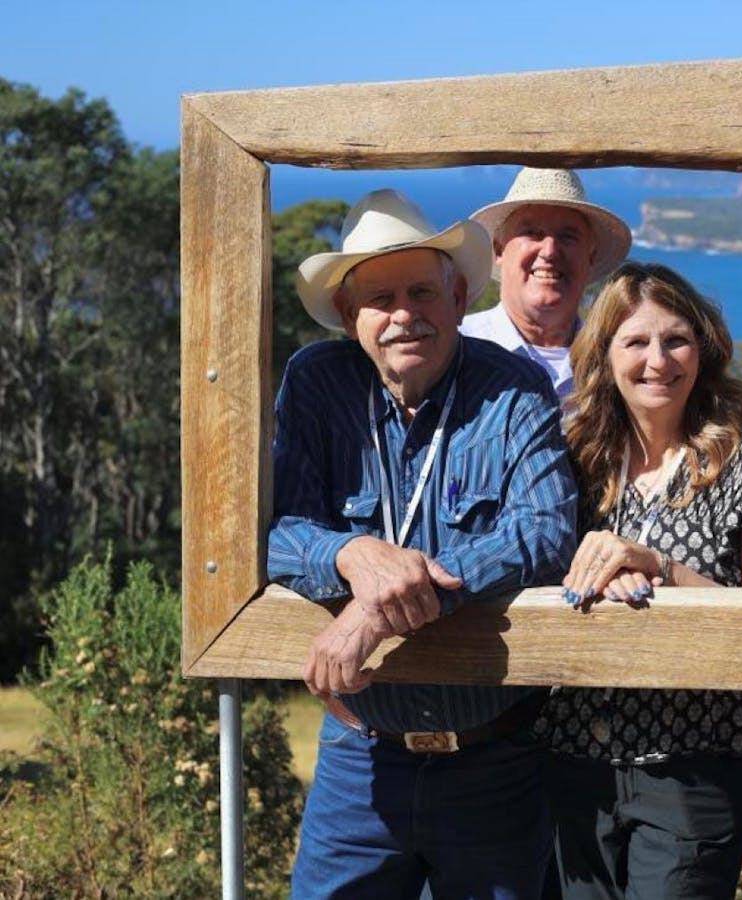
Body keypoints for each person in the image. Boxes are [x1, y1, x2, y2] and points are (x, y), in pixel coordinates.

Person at [267, 188, 578, 898]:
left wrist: (380, 607)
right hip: (359, 755)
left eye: (420, 291)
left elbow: (545, 530)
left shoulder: (512, 388)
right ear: (349, 316)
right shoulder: (316, 383)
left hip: (494, 761)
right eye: (380, 298)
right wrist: (351, 556)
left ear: (459, 295)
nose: (404, 313)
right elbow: (275, 527)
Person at [528, 261, 742, 899]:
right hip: (577, 758)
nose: (658, 360)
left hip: (699, 766)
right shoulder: (577, 460)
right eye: (635, 342)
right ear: (603, 356)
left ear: (703, 350)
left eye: (676, 339)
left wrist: (660, 568)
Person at [463, 167, 633, 398]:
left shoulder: (617, 362)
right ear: (499, 250)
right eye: (532, 233)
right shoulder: (457, 350)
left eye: (567, 236)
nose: (550, 251)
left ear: (590, 257)